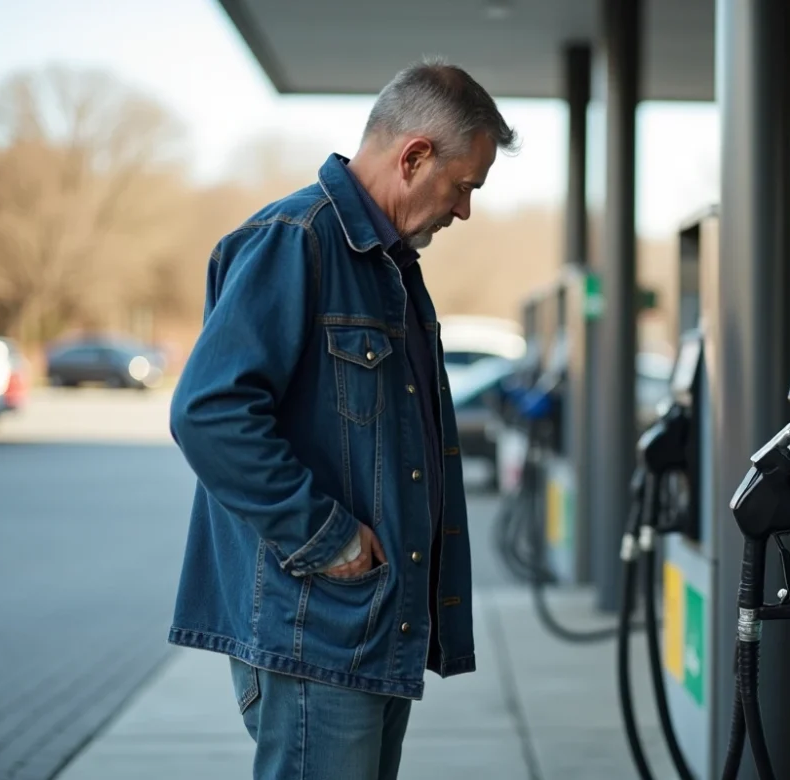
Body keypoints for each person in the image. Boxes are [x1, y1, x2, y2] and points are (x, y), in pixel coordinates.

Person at [167, 58, 518, 780]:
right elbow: (209, 413)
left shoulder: (385, 265)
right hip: (315, 631)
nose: (464, 211)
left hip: (366, 628)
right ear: (414, 155)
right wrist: (328, 539)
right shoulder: (295, 240)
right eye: (463, 187)